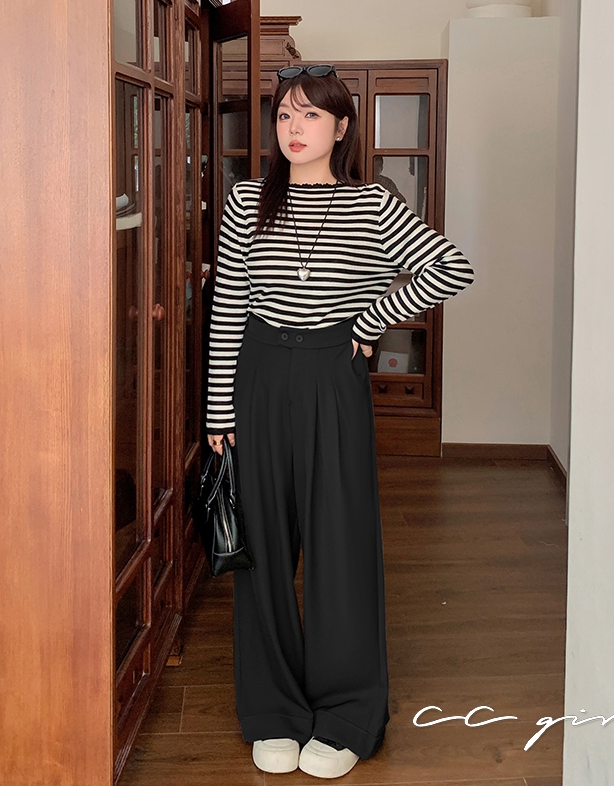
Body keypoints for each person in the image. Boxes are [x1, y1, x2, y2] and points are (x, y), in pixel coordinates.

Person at [205, 64, 475, 779]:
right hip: (258, 374)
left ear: (342, 127)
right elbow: (227, 306)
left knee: (340, 544)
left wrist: (368, 321)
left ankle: (349, 713)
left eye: (311, 115)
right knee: (262, 549)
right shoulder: (245, 201)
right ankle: (272, 711)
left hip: (333, 376)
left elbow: (450, 267)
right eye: (284, 115)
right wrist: (218, 409)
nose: (294, 129)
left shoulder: (372, 204)